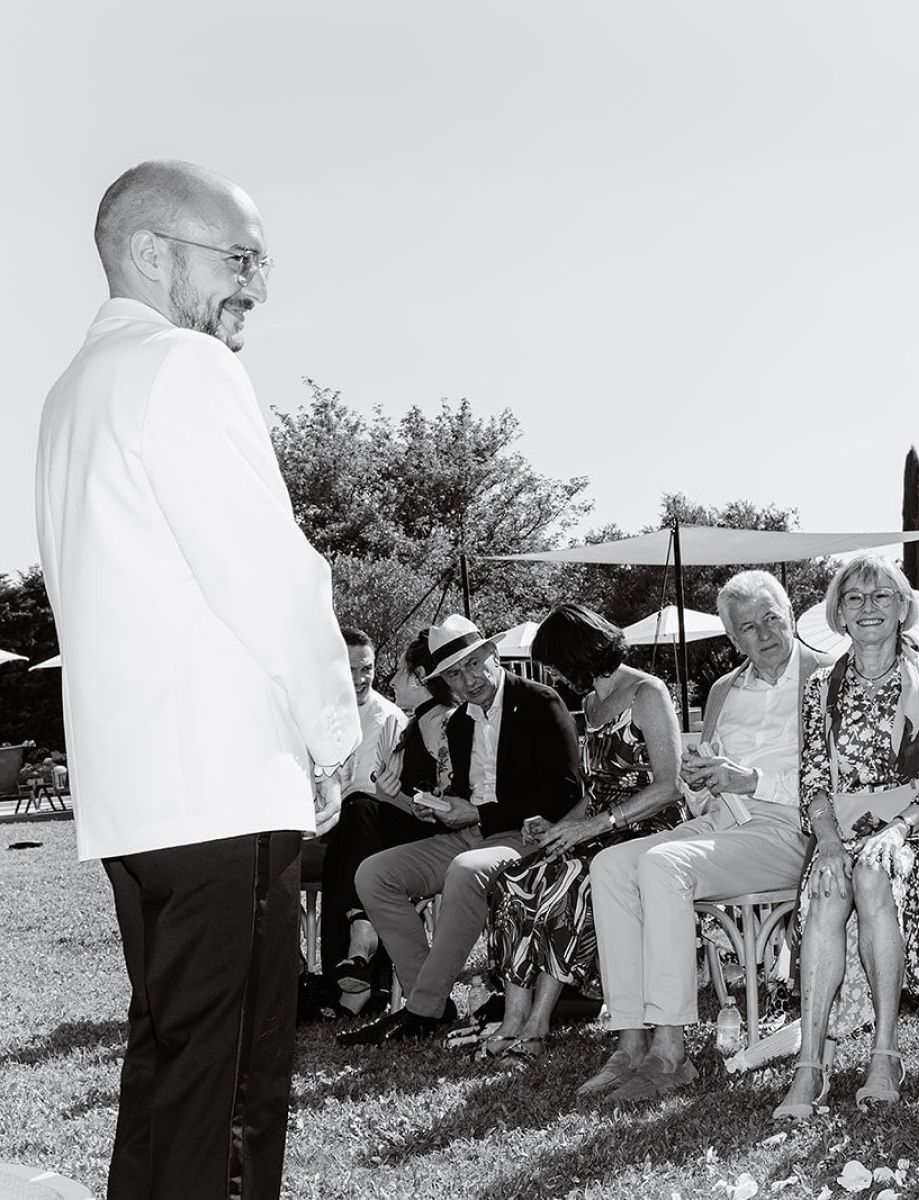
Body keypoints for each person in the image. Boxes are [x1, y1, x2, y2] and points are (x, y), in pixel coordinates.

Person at [35, 160, 361, 1199]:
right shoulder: (180, 366)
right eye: (239, 258)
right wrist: (332, 735)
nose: (256, 286)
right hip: (224, 784)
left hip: (140, 799)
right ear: (150, 251)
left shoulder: (72, 392)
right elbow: (271, 577)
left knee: (172, 1063)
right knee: (230, 1091)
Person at [579, 572, 830, 1100]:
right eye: (748, 627)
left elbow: (837, 779)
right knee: (610, 865)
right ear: (733, 638)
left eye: (771, 618)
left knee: (663, 864)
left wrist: (751, 780)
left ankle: (671, 1054)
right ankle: (631, 1043)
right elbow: (702, 786)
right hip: (720, 824)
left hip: (792, 828)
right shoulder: (722, 690)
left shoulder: (827, 677)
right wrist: (698, 778)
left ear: (790, 614)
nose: (764, 633)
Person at [773, 554, 919, 1120]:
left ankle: (885, 1053)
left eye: (882, 595)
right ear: (838, 612)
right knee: (830, 882)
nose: (868, 607)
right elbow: (814, 780)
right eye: (854, 597)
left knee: (871, 871)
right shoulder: (821, 687)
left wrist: (897, 830)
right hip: (843, 831)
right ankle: (810, 1063)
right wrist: (828, 841)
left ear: (903, 608)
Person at [339, 616, 582, 1045]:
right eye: (453, 674)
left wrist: (479, 814)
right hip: (471, 835)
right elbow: (459, 798)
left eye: (473, 664)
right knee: (373, 874)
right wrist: (425, 805)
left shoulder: (540, 701)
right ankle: (429, 1000)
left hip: (528, 837)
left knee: (466, 870)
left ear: (493, 654)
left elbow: (565, 792)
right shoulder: (461, 723)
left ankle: (421, 1011)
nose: (468, 680)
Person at [474, 604, 683, 1063]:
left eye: (556, 664)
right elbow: (595, 791)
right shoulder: (590, 704)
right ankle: (512, 1019)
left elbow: (669, 785)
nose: (556, 675)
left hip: (651, 824)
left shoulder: (647, 692)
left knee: (564, 879)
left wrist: (593, 827)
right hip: (601, 826)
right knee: (514, 879)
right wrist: (561, 827)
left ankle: (538, 1024)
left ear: (577, 655)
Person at [313, 627, 408, 1014]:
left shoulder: (387, 718)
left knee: (357, 812)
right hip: (320, 827)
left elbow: (369, 792)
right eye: (349, 669)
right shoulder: (316, 714)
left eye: (366, 668)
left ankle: (356, 956)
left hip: (372, 826)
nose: (359, 678)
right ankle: (358, 954)